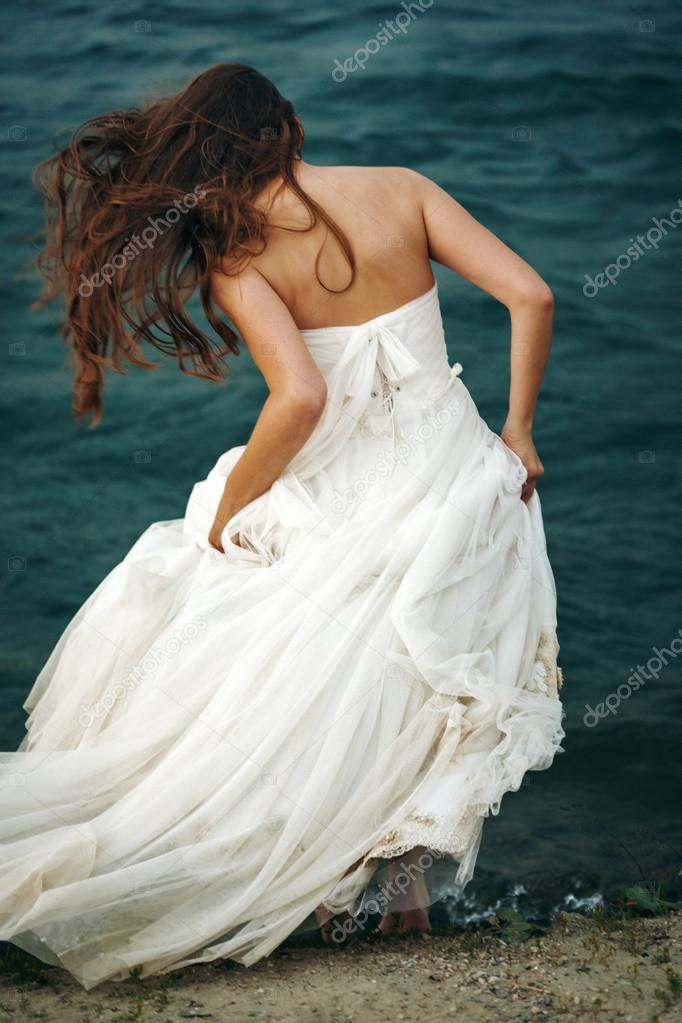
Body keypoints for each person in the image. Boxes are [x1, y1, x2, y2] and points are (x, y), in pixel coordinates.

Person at [0, 62, 565, 989]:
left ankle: (324, 883)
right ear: (287, 128)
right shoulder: (403, 189)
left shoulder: (240, 257)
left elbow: (300, 398)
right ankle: (402, 895)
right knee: (416, 679)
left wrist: (231, 512)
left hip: (347, 483)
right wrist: (518, 428)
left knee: (250, 631)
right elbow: (532, 296)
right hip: (454, 478)